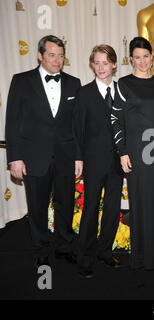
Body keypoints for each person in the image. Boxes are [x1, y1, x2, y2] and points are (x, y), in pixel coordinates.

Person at [5, 35, 82, 269]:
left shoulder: (74, 83)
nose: (57, 60)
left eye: (60, 55)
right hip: (33, 157)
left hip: (66, 157)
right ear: (40, 55)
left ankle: (64, 246)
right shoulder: (21, 81)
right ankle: (40, 248)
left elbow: (77, 125)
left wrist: (79, 156)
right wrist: (15, 158)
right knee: (37, 207)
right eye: (51, 55)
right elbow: (12, 122)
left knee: (65, 204)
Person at [111, 37, 154, 270]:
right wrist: (122, 152)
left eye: (146, 56)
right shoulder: (123, 84)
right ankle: (145, 257)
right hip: (136, 152)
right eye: (137, 57)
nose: (142, 61)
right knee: (141, 201)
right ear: (131, 59)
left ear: (152, 57)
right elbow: (115, 120)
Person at [75, 45, 124, 279]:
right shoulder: (84, 93)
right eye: (97, 62)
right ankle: (85, 257)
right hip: (93, 162)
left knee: (113, 210)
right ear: (92, 65)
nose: (101, 67)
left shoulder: (123, 91)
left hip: (117, 162)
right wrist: (79, 158)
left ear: (114, 64)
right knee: (91, 209)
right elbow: (77, 130)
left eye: (106, 62)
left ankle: (105, 251)